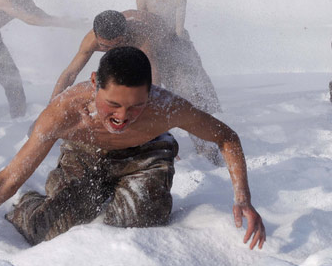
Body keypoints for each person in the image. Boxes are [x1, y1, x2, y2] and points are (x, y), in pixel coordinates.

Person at [0, 46, 265, 265]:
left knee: (139, 218)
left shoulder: (166, 107)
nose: (121, 116)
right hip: (85, 155)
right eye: (112, 104)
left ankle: (129, 193)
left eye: (136, 107)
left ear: (151, 94)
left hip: (146, 156)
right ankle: (30, 205)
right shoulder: (64, 111)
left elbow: (226, 137)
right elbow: (7, 178)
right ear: (94, 84)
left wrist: (243, 199)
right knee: (50, 229)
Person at [52, 10, 222, 163]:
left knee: (186, 95)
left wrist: (158, 132)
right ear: (96, 34)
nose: (109, 50)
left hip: (172, 48)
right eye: (105, 47)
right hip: (145, 49)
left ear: (124, 36)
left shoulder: (140, 35)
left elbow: (153, 80)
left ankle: (208, 148)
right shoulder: (92, 40)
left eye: (115, 45)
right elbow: (70, 74)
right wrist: (51, 109)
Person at [136, 0, 221, 112]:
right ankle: (159, 110)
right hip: (155, 41)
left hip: (177, 38)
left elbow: (179, 28)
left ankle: (214, 107)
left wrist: (181, 49)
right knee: (160, 75)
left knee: (196, 67)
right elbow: (143, 25)